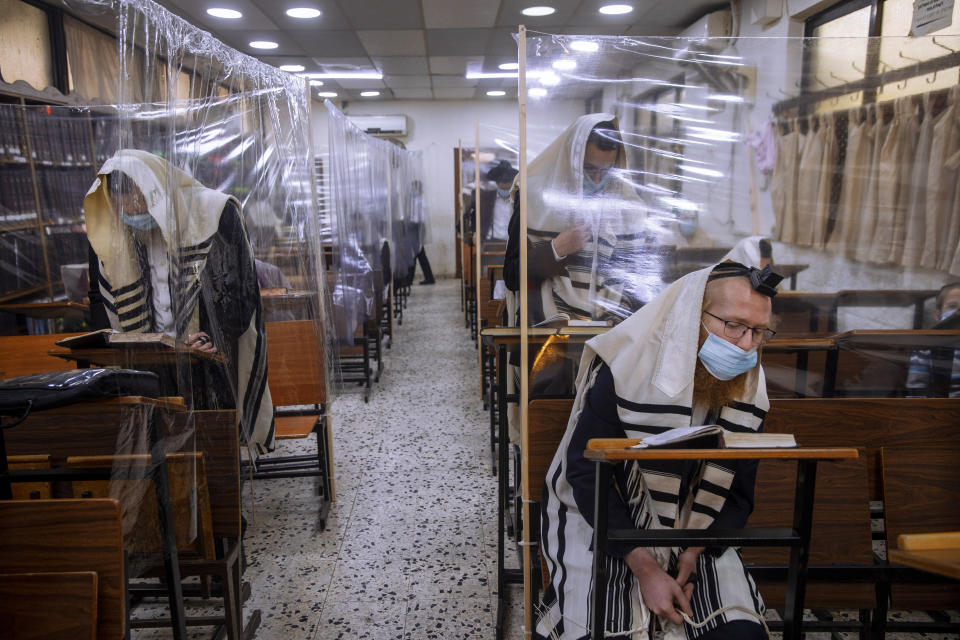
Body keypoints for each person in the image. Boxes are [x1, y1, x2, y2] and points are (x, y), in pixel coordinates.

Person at [537, 261, 783, 640]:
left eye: (759, 332)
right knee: (609, 630)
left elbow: (738, 494)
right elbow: (586, 476)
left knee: (738, 635)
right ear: (691, 317)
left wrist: (693, 556)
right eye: (734, 326)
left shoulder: (749, 389)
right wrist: (647, 569)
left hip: (696, 529)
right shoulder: (627, 368)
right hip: (611, 525)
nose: (747, 345)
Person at [84, 149, 275, 453]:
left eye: (140, 206)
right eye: (127, 212)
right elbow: (99, 298)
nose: (134, 215)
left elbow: (240, 290)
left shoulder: (213, 212)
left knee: (214, 449)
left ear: (156, 191)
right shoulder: (110, 227)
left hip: (209, 356)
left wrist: (212, 340)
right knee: (159, 446)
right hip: (149, 361)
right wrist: (108, 346)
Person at [504, 114, 667, 326]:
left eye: (606, 171)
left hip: (607, 335)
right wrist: (556, 248)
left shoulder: (628, 208)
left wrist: (620, 315)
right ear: (572, 159)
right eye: (590, 169)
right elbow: (511, 275)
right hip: (546, 330)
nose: (598, 179)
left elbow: (637, 281)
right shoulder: (534, 198)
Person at [906, 282, 960, 397]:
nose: (958, 313)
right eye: (952, 306)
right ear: (937, 314)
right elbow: (916, 391)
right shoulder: (925, 346)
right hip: (938, 408)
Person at [409, 180, 435, 285]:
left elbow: (419, 218)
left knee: (416, 254)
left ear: (417, 189)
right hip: (416, 227)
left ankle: (409, 279)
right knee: (419, 255)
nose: (412, 190)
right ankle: (429, 278)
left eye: (413, 188)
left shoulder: (420, 201)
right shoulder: (416, 200)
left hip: (418, 227)